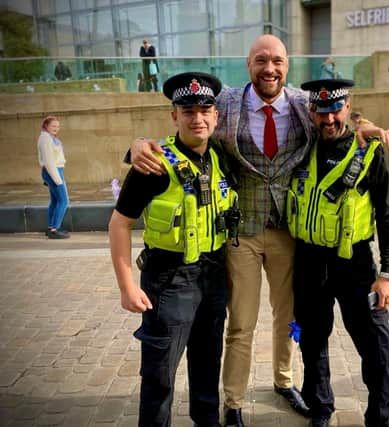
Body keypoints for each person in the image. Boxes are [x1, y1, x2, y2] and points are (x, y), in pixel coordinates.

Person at [129, 34, 389, 427]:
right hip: (244, 234)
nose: (269, 68)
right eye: (261, 60)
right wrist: (136, 145)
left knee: (289, 318)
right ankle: (233, 401)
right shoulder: (224, 103)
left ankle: (284, 381)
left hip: (290, 234)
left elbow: (340, 114)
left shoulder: (306, 105)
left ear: (286, 66)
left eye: (277, 61)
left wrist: (365, 124)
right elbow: (186, 122)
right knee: (241, 322)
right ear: (249, 64)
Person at [109, 72, 239, 427]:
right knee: (160, 375)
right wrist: (127, 286)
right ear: (174, 116)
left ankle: (207, 421)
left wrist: (362, 124)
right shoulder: (153, 163)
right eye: (188, 110)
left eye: (205, 110)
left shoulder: (222, 157)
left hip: (213, 276)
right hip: (168, 280)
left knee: (207, 362)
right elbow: (119, 223)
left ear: (216, 115)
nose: (197, 118)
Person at [290, 78, 389, 427]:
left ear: (348, 108)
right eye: (321, 112)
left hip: (355, 263)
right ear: (311, 113)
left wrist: (387, 275)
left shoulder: (368, 151)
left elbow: (386, 213)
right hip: (308, 259)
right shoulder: (300, 148)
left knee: (376, 346)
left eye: (336, 110)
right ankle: (320, 408)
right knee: (312, 339)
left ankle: (382, 418)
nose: (329, 119)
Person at [37, 116, 70, 239]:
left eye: (57, 126)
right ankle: (54, 229)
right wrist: (57, 180)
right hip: (53, 172)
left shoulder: (50, 138)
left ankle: (51, 227)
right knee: (63, 201)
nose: (56, 128)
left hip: (55, 171)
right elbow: (49, 161)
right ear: (46, 126)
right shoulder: (45, 139)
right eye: (53, 126)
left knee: (55, 201)